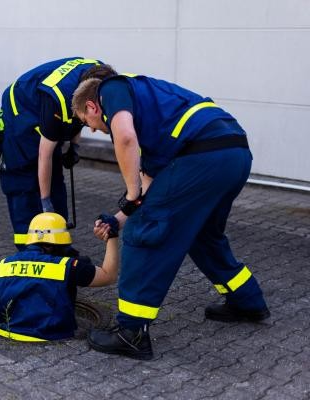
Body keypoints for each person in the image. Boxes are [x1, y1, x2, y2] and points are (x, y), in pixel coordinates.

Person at [71, 74, 270, 360]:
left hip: (203, 154)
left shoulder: (111, 88)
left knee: (144, 233)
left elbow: (125, 140)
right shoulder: (154, 123)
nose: (91, 130)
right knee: (203, 236)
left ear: (92, 106)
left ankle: (131, 334)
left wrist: (130, 197)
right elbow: (148, 194)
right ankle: (247, 301)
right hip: (233, 152)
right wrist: (118, 218)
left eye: (86, 122)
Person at [0, 58, 118, 250]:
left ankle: (58, 245)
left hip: (44, 107)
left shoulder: (103, 77)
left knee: (54, 180)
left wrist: (74, 147)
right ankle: (30, 250)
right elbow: (44, 155)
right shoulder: (56, 98)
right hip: (22, 111)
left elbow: (78, 118)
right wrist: (45, 203)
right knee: (23, 181)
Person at [0, 212, 120, 342]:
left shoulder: (4, 264)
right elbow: (108, 276)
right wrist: (112, 236)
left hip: (4, 330)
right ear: (61, 242)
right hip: (46, 336)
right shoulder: (67, 267)